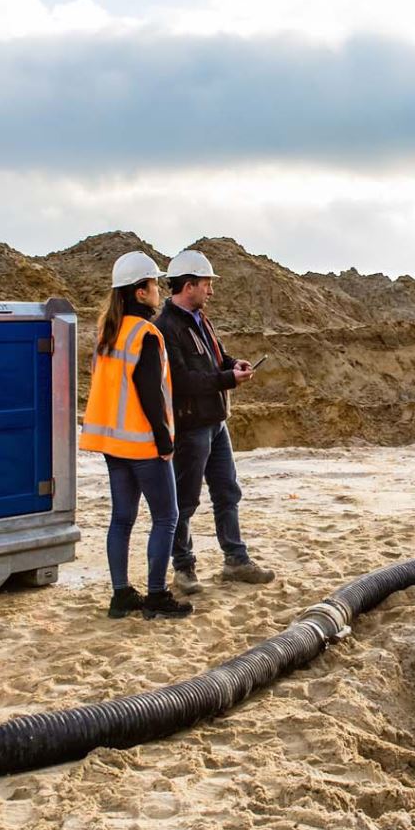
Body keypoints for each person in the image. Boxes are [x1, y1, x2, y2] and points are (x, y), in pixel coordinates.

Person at [78, 250, 193, 620]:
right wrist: (165, 441)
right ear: (140, 292)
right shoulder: (145, 333)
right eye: (154, 285)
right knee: (166, 517)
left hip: (113, 444)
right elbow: (149, 393)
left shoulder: (108, 333)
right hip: (142, 443)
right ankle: (157, 596)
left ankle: (121, 595)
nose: (159, 290)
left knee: (122, 518)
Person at [155, 248, 275, 593]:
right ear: (189, 285)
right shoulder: (165, 328)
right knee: (185, 501)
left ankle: (235, 560)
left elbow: (218, 357)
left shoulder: (200, 320)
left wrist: (234, 364)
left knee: (227, 492)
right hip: (191, 427)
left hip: (215, 422)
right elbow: (181, 382)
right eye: (207, 284)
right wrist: (227, 379)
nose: (212, 291)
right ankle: (184, 567)